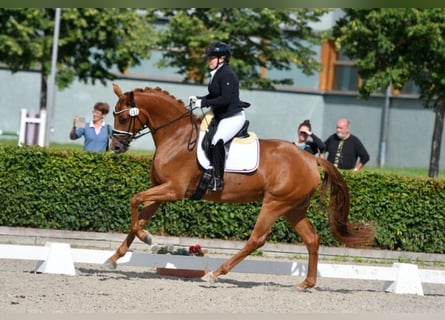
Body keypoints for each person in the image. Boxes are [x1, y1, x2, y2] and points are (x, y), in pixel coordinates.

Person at [188, 41, 250, 192]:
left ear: (222, 58)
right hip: (222, 115)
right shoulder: (217, 73)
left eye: (211, 58)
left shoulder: (227, 74)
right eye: (208, 58)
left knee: (216, 141)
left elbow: (225, 99)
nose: (208, 60)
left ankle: (218, 180)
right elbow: (214, 95)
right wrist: (200, 99)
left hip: (233, 117)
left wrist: (203, 102)